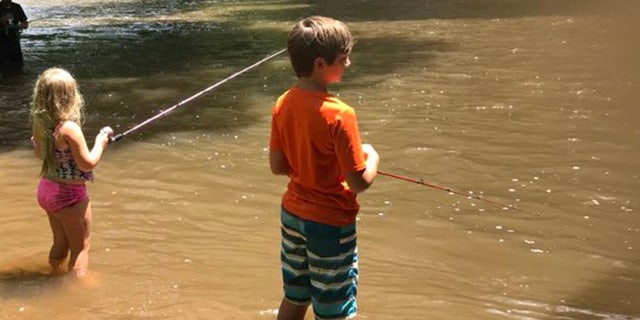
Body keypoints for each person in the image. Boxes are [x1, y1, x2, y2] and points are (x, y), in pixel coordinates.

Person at [269, 16, 380, 320]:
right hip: (330, 224)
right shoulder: (341, 115)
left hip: (292, 217)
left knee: (295, 296)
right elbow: (359, 182)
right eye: (343, 58)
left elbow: (278, 166)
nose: (348, 63)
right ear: (320, 63)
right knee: (335, 309)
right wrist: (373, 157)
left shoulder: (282, 103)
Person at [29, 67, 113, 279]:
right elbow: (87, 164)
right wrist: (101, 142)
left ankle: (54, 273)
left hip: (46, 190)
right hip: (68, 196)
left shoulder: (40, 123)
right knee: (81, 247)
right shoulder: (69, 128)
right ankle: (77, 289)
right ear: (69, 97)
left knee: (60, 242)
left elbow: (40, 155)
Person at [0, 0, 28, 68]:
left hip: (14, 40)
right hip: (1, 41)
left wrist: (22, 25)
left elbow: (25, 23)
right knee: (3, 63)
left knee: (18, 63)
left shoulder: (17, 7)